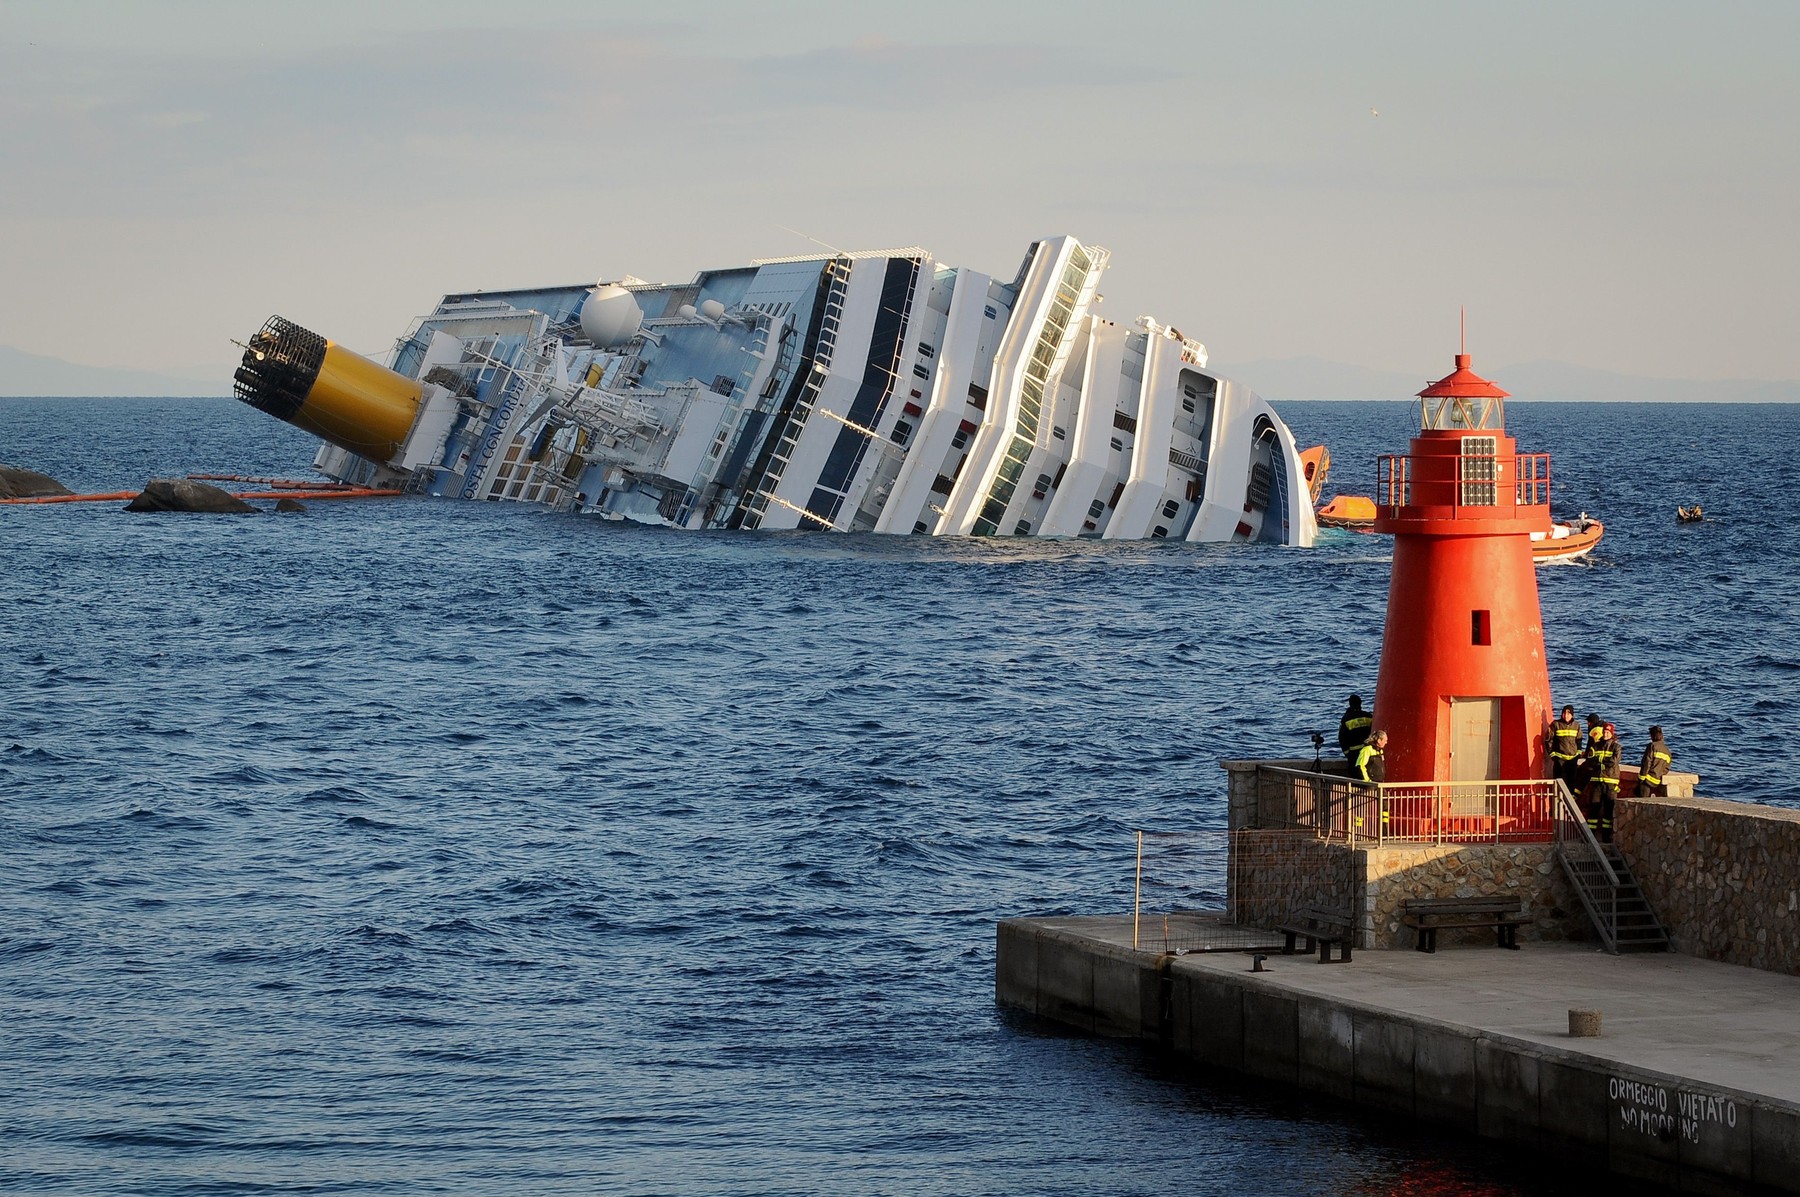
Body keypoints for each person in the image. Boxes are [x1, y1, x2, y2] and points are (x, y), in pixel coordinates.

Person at [1581, 721, 1620, 841]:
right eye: (1604, 732)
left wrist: (1599, 763)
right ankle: (1590, 838)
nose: (1606, 734)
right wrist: (1601, 763)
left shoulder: (1616, 747)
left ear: (1612, 733)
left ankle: (1606, 838)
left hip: (1610, 783)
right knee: (1593, 810)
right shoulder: (1595, 746)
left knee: (1608, 812)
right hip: (1596, 782)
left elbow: (1613, 762)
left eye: (1608, 732)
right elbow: (1590, 761)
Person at [1546, 705, 1582, 791]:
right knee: (1559, 781)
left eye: (1568, 713)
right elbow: (1548, 740)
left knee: (1572, 781)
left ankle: (1570, 797)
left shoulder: (1576, 725)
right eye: (1564, 713)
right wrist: (1552, 754)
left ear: (1572, 715)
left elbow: (1579, 741)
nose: (1566, 715)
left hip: (1572, 759)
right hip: (1560, 759)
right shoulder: (1555, 724)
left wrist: (1578, 754)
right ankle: (1558, 798)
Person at [1637, 726, 1674, 797]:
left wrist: (1641, 779)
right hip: (1657, 780)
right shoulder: (1667, 751)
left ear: (1653, 736)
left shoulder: (1652, 746)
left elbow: (1646, 763)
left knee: (1642, 800)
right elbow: (1667, 768)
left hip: (1647, 780)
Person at [1338, 695, 1373, 762]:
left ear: (1350, 704)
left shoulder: (1346, 719)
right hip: (1367, 750)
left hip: (1353, 753)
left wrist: (1346, 752)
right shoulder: (1368, 716)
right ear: (1360, 703)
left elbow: (1342, 737)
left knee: (1354, 768)